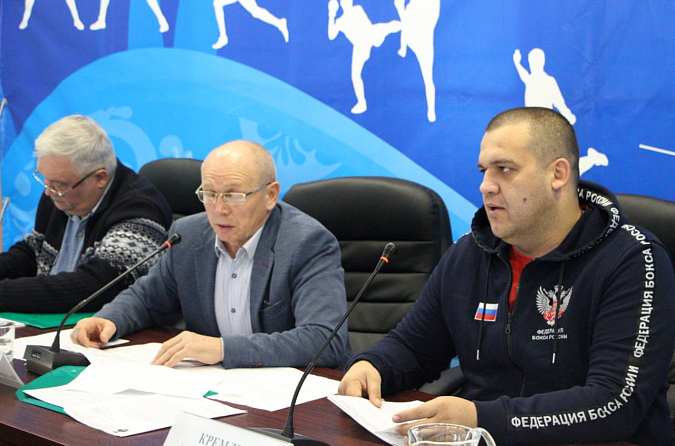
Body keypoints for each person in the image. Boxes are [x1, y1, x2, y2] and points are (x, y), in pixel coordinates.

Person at [338, 107, 675, 445]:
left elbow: (615, 403)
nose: (486, 186)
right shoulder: (469, 253)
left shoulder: (632, 259)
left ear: (558, 173)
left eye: (504, 169)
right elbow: (414, 348)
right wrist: (373, 366)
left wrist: (481, 418)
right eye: (484, 171)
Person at [71, 140, 351, 370]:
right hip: (210, 387)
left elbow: (324, 340)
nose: (219, 209)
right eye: (209, 194)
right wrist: (109, 319)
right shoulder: (187, 235)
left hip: (290, 393)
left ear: (270, 195)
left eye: (233, 196)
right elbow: (147, 299)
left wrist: (223, 348)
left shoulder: (306, 243)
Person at [0, 115, 173, 313]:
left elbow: (95, 288)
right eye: (45, 180)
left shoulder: (141, 209)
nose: (48, 191)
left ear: (100, 178)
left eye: (59, 184)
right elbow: (33, 253)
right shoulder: (59, 195)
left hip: (109, 324)